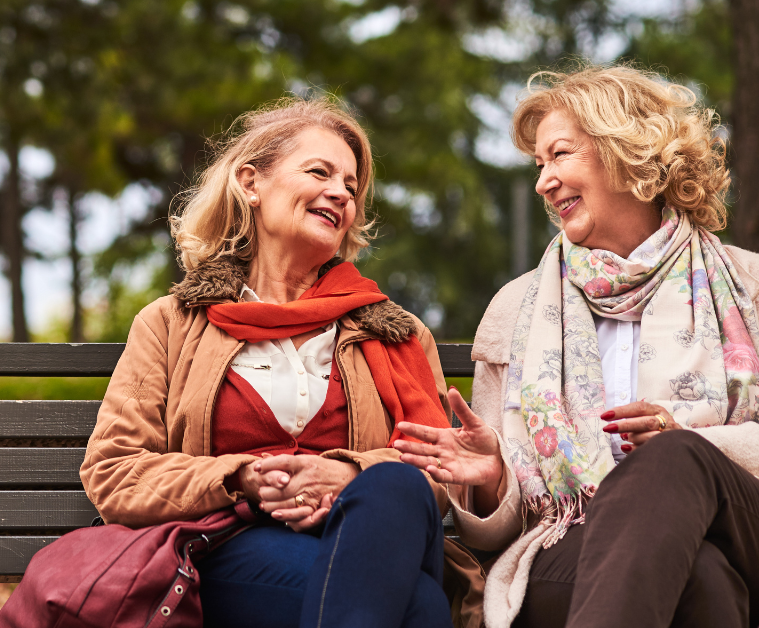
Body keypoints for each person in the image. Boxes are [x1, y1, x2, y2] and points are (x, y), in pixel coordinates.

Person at [80, 97, 482, 628]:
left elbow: (439, 474)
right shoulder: (172, 323)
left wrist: (347, 474)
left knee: (398, 486)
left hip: (383, 536)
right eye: (320, 172)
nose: (341, 192)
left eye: (351, 186)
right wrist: (242, 477)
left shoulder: (394, 333)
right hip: (234, 543)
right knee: (421, 607)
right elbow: (114, 472)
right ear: (251, 183)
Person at [392, 63, 759, 628]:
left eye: (560, 155)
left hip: (742, 522)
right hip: (575, 543)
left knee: (674, 457)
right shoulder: (518, 309)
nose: (542, 181)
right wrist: (492, 479)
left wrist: (689, 438)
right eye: (539, 165)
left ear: (626, 151)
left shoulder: (749, 284)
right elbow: (504, 521)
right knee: (702, 580)